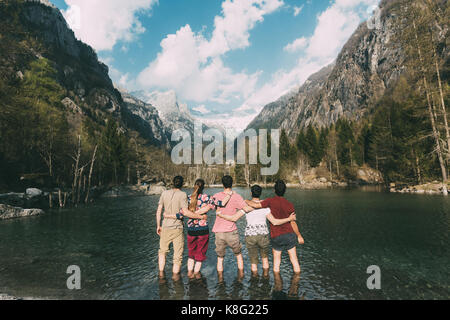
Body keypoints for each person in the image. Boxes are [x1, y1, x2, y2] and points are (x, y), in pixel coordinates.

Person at [217, 185, 295, 276]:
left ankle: (254, 280)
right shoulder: (265, 206)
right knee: (265, 259)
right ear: (260, 193)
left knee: (253, 262)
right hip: (263, 235)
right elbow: (274, 221)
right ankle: (266, 280)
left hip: (250, 236)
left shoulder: (246, 206)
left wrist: (221, 215)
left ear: (251, 193)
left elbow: (234, 218)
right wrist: (289, 219)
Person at [164, 179, 232, 278]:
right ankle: (196, 274)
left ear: (194, 186)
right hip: (202, 230)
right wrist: (229, 195)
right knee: (200, 254)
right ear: (203, 187)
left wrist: (168, 215)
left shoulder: (187, 199)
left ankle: (189, 274)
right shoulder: (207, 198)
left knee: (191, 253)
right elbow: (222, 203)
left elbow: (180, 215)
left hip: (191, 230)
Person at [246, 180, 304, 274]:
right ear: (284, 191)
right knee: (294, 260)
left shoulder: (270, 201)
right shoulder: (289, 204)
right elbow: (292, 222)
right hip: (289, 234)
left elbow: (255, 205)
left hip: (276, 235)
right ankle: (296, 284)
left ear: (274, 190)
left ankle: (277, 285)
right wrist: (299, 235)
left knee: (276, 263)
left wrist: (246, 200)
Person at [155, 176, 193, 278]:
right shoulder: (183, 195)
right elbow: (183, 213)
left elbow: (159, 211)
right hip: (177, 228)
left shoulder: (164, 193)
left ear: (172, 183)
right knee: (177, 257)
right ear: (182, 184)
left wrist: (158, 225)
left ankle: (161, 276)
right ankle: (176, 279)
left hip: (165, 227)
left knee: (162, 252)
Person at [211, 175, 248, 273]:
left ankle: (220, 280)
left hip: (218, 231)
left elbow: (212, 207)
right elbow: (246, 208)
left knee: (220, 258)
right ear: (232, 183)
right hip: (231, 231)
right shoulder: (237, 196)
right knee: (238, 255)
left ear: (222, 184)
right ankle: (241, 277)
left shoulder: (216, 196)